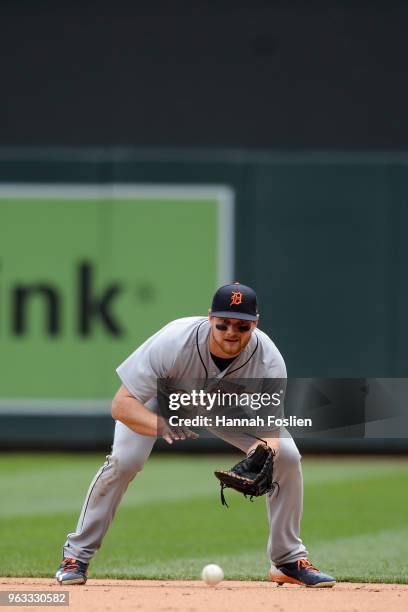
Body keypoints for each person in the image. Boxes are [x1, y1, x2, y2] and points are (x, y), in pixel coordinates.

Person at [55, 282, 336, 588]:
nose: (231, 331)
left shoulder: (269, 361)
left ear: (255, 324)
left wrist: (261, 453)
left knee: (288, 456)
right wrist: (161, 425)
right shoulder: (174, 341)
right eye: (223, 323)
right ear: (209, 317)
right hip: (159, 400)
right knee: (126, 460)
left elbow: (269, 433)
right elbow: (121, 405)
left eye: (242, 326)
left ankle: (287, 560)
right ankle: (76, 557)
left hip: (222, 406)